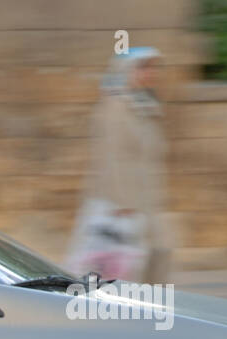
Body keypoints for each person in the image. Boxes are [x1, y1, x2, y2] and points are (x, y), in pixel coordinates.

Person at [65, 47, 171, 283]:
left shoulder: (145, 105)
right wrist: (123, 203)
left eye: (153, 67)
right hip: (119, 203)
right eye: (143, 67)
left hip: (145, 199)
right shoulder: (115, 106)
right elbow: (111, 155)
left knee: (152, 257)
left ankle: (147, 310)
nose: (150, 73)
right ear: (126, 71)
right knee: (116, 264)